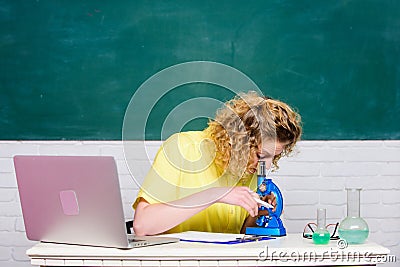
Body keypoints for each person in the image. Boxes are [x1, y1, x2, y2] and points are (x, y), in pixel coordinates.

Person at [132, 91, 302, 236]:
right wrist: (215, 195)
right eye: (260, 155)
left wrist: (258, 213)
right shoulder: (182, 148)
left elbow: (238, 236)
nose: (265, 166)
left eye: (274, 157)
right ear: (239, 141)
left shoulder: (249, 169)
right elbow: (142, 225)